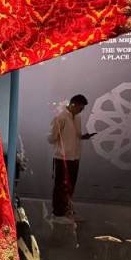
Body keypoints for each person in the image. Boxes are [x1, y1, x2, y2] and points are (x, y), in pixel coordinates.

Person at [48, 94, 96, 223]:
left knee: (70, 186)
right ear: (73, 104)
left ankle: (66, 211)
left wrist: (83, 137)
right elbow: (51, 138)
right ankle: (57, 214)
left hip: (74, 157)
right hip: (62, 157)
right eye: (80, 108)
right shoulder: (61, 117)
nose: (81, 110)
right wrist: (61, 141)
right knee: (60, 186)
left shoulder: (77, 118)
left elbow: (76, 135)